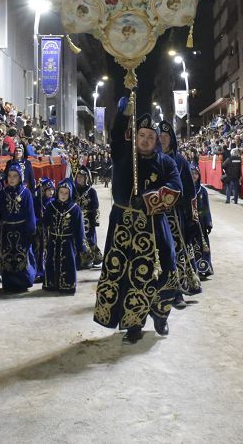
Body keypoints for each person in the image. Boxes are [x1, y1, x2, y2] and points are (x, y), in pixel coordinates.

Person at [93, 98, 181, 343]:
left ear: (156, 140)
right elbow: (117, 134)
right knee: (126, 274)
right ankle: (133, 323)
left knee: (162, 271)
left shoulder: (166, 162)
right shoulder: (123, 154)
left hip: (154, 225)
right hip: (123, 224)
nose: (145, 140)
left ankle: (160, 315)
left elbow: (176, 187)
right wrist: (123, 113)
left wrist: (151, 199)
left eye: (150, 137)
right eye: (141, 135)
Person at [157, 120, 202, 304]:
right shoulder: (152, 159)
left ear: (171, 139)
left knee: (178, 251)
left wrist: (192, 216)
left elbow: (190, 190)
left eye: (166, 137)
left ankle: (179, 290)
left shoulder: (180, 160)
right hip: (157, 214)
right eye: (160, 136)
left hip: (176, 215)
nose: (163, 139)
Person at [41, 178, 86, 293]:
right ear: (57, 192)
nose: (63, 195)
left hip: (68, 242)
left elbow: (79, 229)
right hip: (53, 240)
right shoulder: (51, 206)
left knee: (67, 263)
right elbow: (45, 222)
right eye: (61, 192)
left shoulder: (75, 209)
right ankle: (51, 284)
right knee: (51, 261)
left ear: (70, 193)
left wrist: (81, 246)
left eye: (66, 193)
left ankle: (67, 285)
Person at [0, 162, 37, 292]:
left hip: (21, 230)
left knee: (22, 255)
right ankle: (8, 283)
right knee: (8, 256)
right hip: (7, 230)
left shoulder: (26, 193)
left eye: (15, 176)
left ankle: (23, 282)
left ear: (20, 177)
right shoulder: (3, 193)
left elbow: (30, 214)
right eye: (9, 176)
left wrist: (31, 231)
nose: (12, 179)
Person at [74, 168, 102, 269]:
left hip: (88, 220)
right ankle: (81, 260)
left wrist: (95, 221)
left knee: (90, 240)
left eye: (82, 177)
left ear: (87, 178)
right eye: (78, 177)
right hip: (77, 219)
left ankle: (93, 259)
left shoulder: (91, 191)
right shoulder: (74, 190)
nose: (79, 179)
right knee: (79, 239)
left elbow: (95, 206)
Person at [191, 165, 214, 279]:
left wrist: (208, 222)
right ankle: (192, 269)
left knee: (202, 245)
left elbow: (206, 208)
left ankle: (203, 268)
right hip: (190, 221)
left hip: (201, 222)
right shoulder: (185, 189)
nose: (194, 175)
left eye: (196, 173)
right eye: (191, 173)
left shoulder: (202, 191)